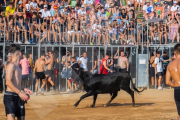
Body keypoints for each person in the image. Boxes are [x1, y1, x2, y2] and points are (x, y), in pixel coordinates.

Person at [4, 44, 32, 120]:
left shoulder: (18, 67)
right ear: (19, 53)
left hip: (18, 97)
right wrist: (19, 92)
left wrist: (24, 88)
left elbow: (16, 83)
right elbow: (8, 82)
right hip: (10, 97)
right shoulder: (11, 65)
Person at [166, 43, 180, 120]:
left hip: (177, 90)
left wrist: (176, 85)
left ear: (175, 52)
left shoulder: (170, 65)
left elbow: (167, 82)